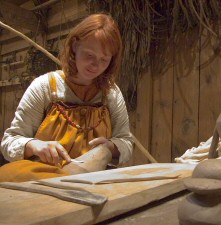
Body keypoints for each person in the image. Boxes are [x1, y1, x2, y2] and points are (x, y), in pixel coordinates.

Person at [0, 13, 133, 182]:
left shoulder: (111, 94)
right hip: (45, 182)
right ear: (75, 45)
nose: (96, 65)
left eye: (104, 59)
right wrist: (35, 146)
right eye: (90, 55)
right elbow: (9, 142)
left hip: (94, 181)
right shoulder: (45, 88)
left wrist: (110, 148)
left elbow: (126, 141)